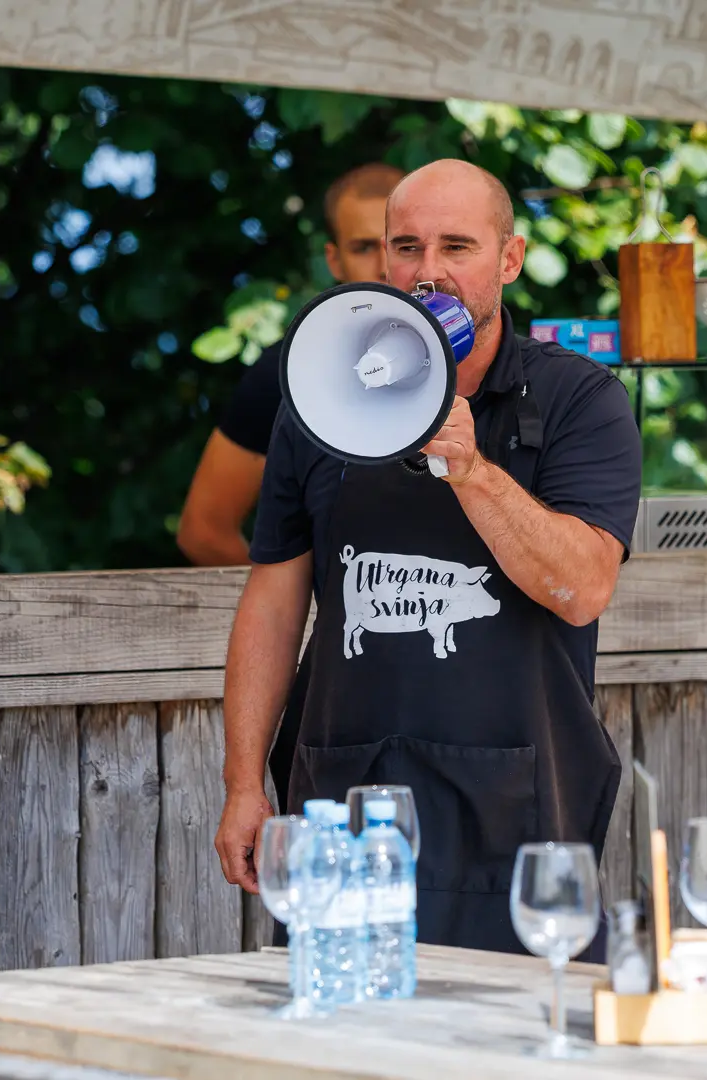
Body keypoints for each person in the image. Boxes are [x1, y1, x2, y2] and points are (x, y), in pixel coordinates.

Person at [212, 158, 643, 956]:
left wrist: (472, 469)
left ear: (508, 260)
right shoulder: (321, 399)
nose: (429, 272)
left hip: (517, 806)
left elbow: (581, 588)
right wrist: (243, 783)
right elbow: (273, 602)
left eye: (457, 246)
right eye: (406, 247)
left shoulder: (581, 400)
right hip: (344, 797)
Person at [175, 161, 407, 567]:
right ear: (334, 260)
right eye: (364, 247)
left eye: (400, 245)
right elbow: (203, 531)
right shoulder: (286, 373)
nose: (385, 266)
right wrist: (302, 616)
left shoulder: (489, 360)